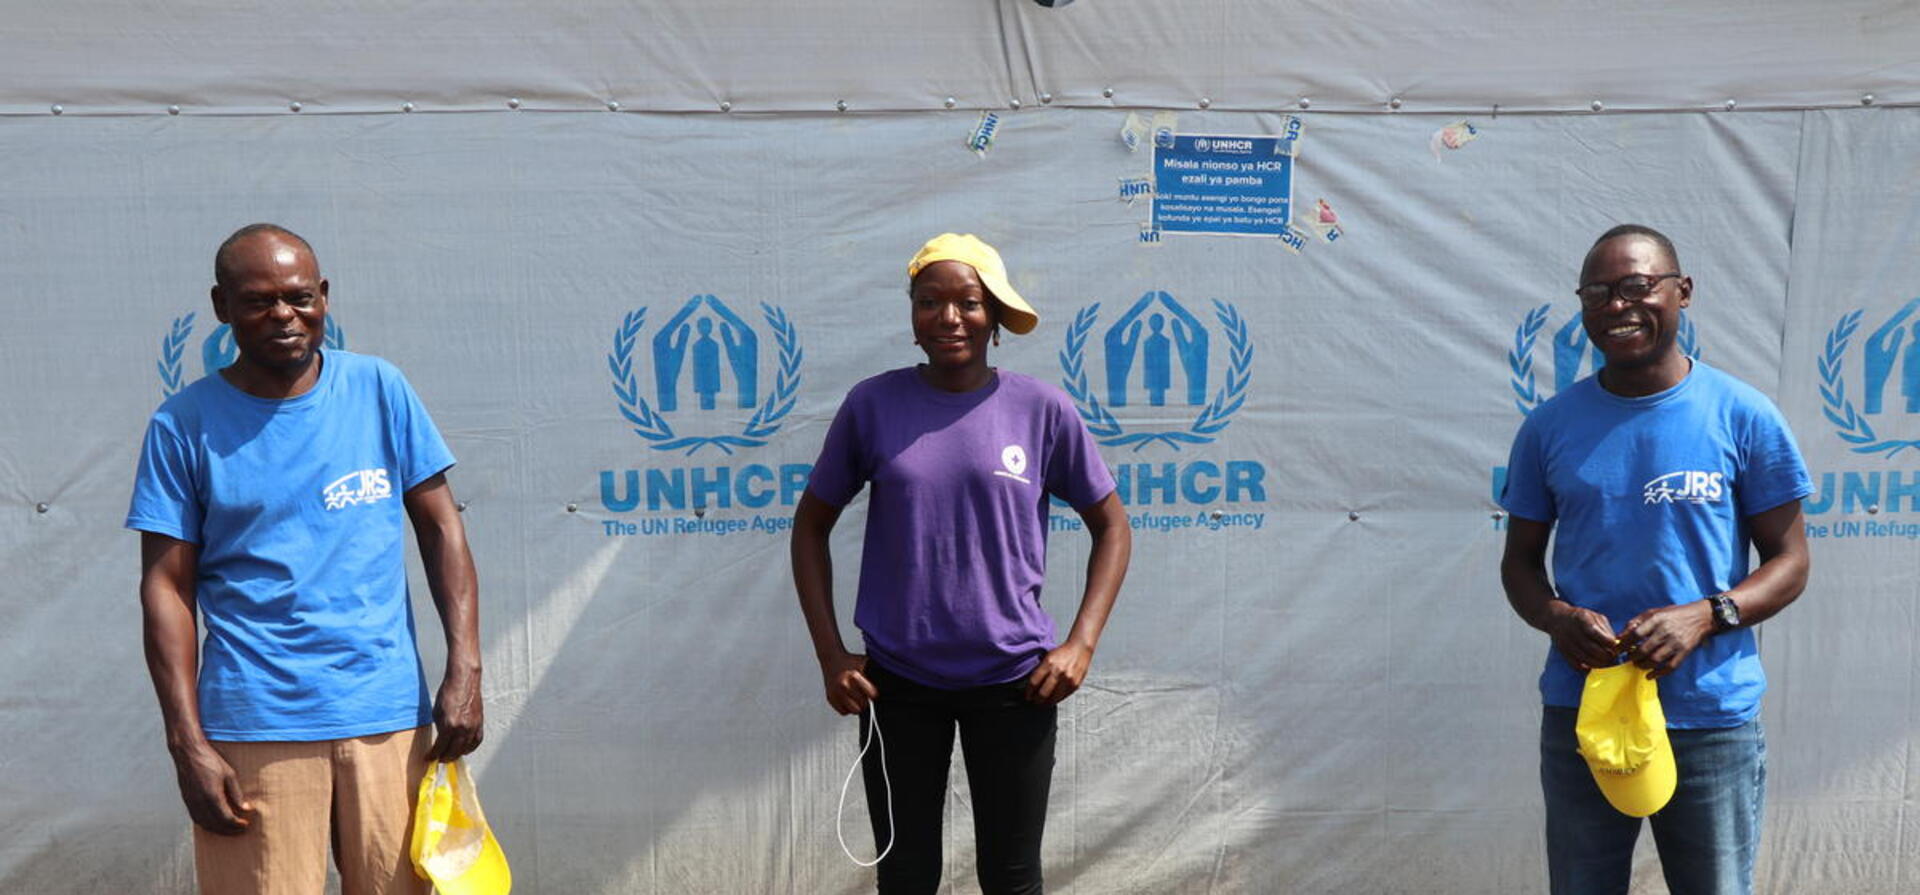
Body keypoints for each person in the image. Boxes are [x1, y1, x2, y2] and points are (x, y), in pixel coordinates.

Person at [128, 223, 484, 894]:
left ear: (324, 295)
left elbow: (442, 530)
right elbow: (166, 590)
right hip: (255, 724)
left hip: (388, 718)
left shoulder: (381, 389)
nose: (284, 316)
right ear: (221, 306)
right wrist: (187, 742)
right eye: (259, 300)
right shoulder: (183, 425)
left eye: (300, 296)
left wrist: (464, 666)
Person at [791, 233, 1131, 895]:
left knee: (1010, 877)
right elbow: (810, 526)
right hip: (898, 685)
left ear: (997, 316)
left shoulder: (1041, 409)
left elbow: (1112, 526)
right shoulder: (872, 405)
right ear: (912, 317)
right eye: (930, 302)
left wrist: (1081, 644)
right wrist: (831, 654)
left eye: (969, 303)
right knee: (907, 875)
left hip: (1015, 684)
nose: (949, 317)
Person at [1498, 224, 1812, 895]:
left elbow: (1790, 561)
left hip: (1711, 718)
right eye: (1599, 292)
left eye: (1638, 285)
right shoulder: (1548, 427)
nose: (1618, 305)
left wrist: (1707, 614)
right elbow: (1519, 564)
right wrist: (1556, 617)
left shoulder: (1743, 416)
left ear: (1683, 291)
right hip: (1588, 714)